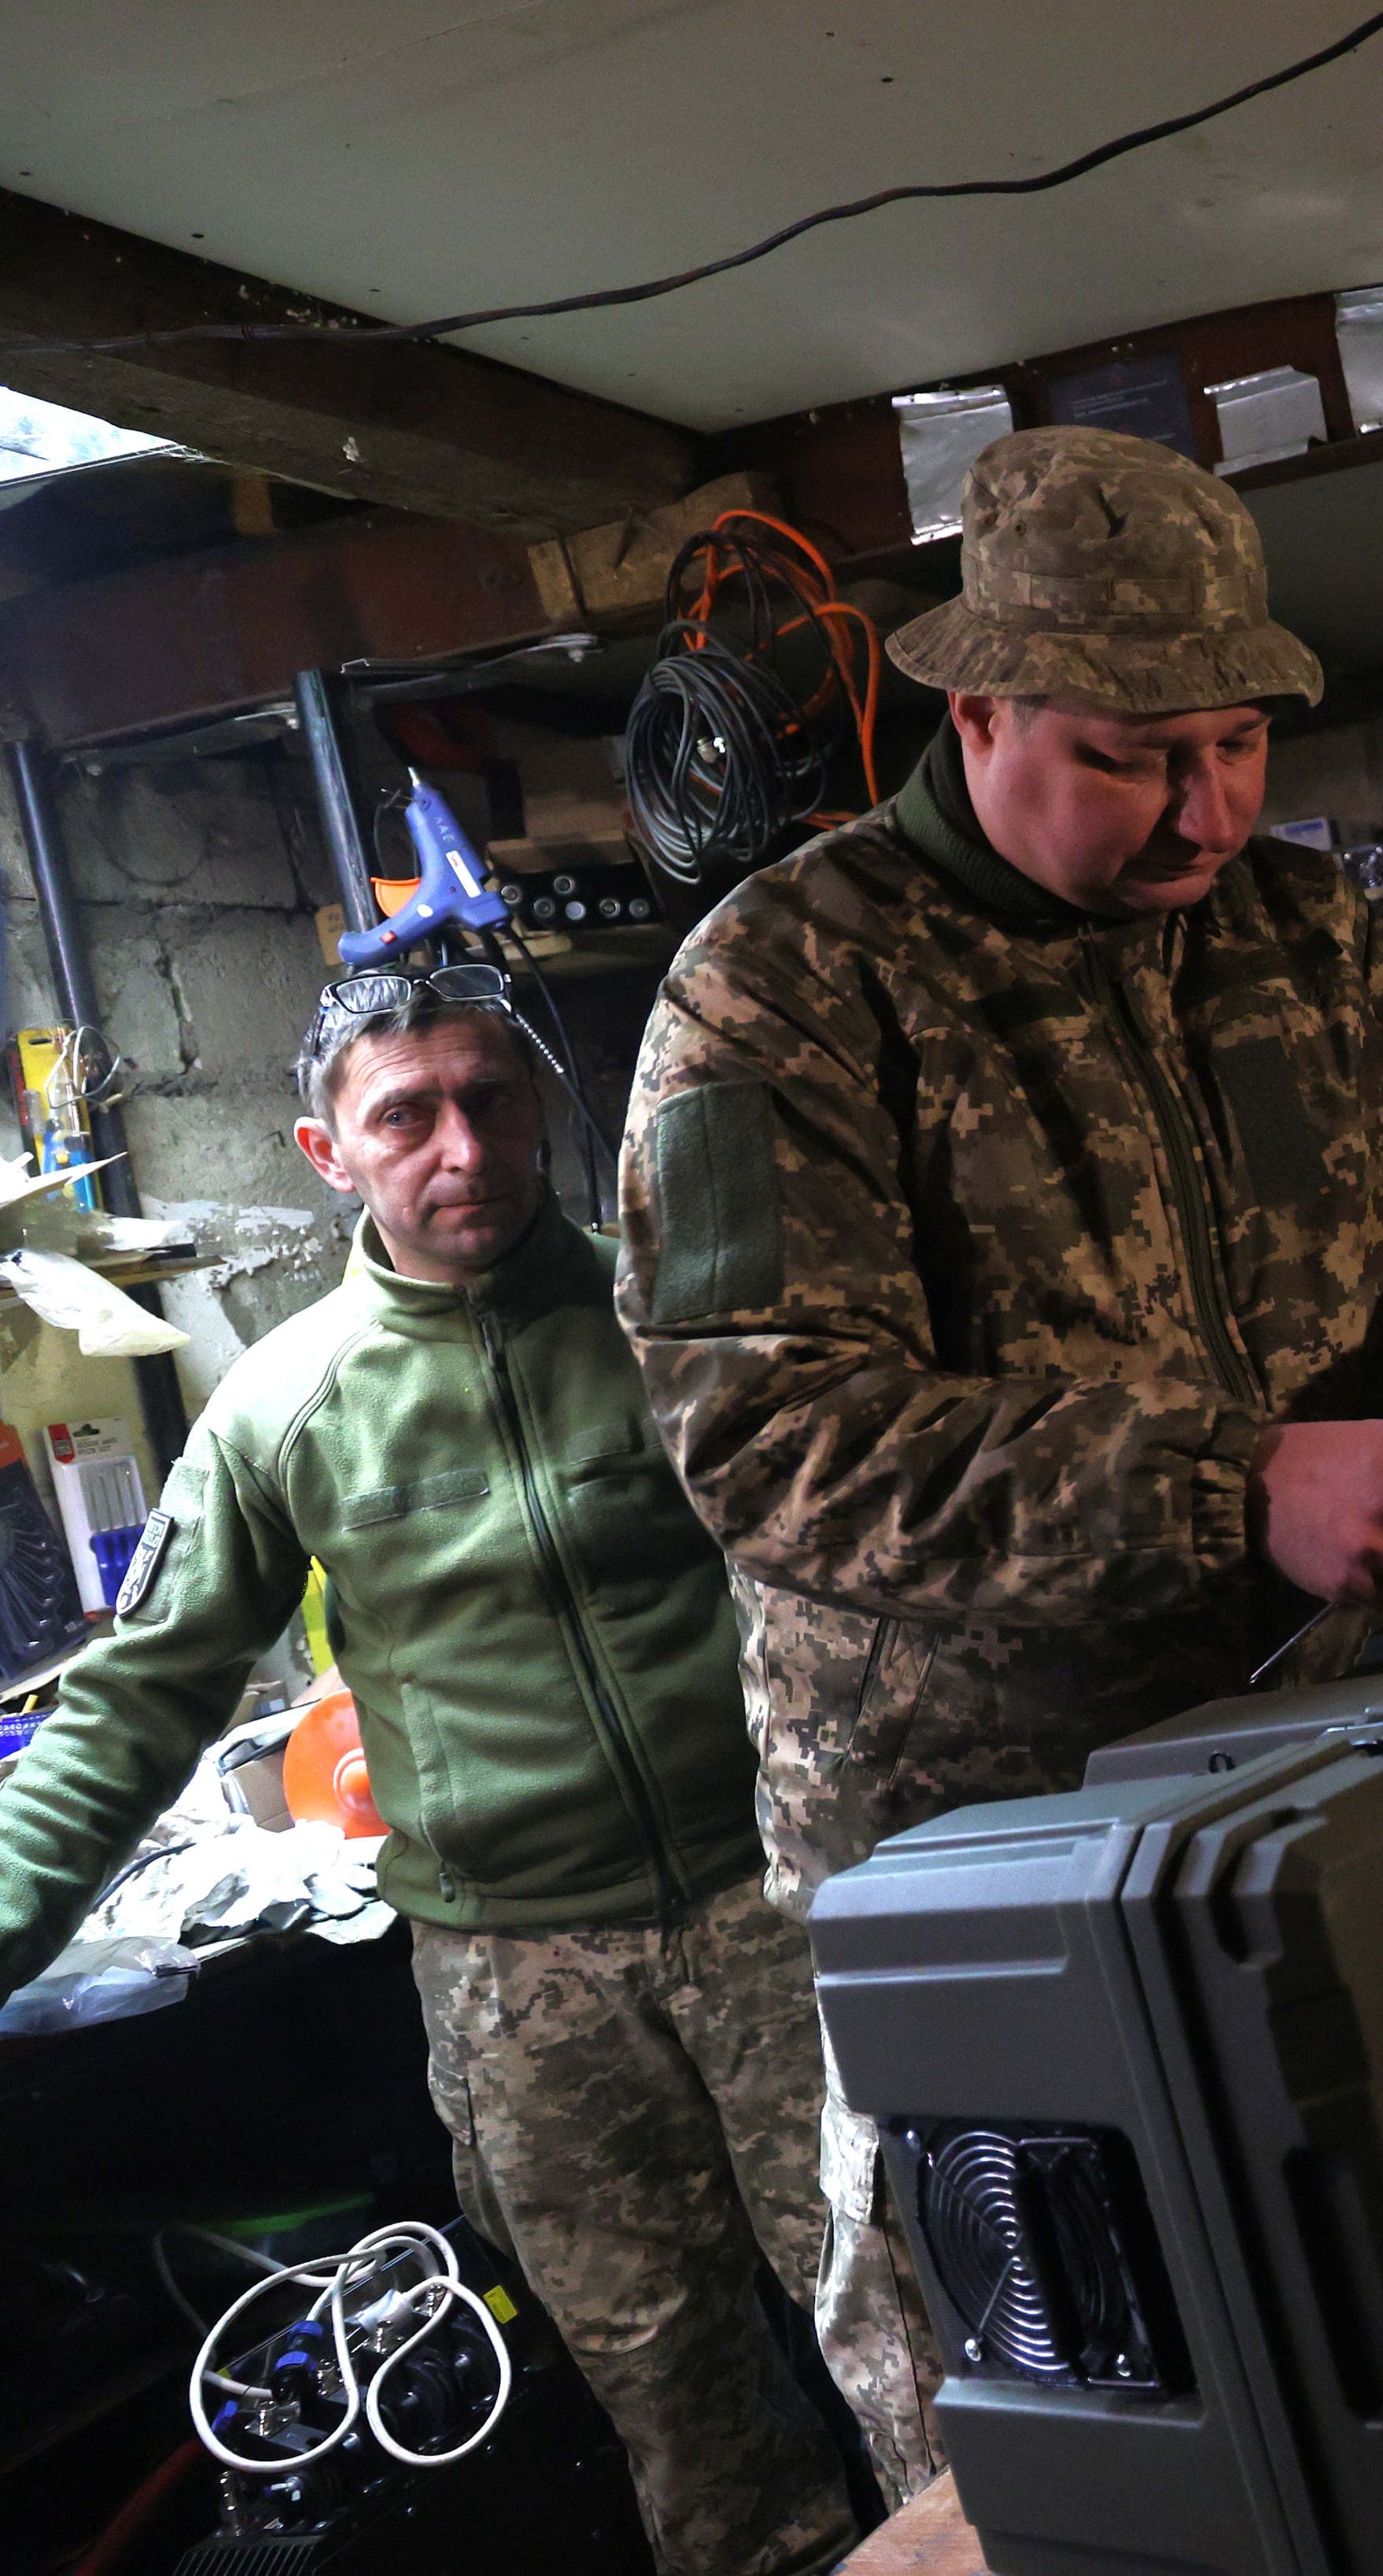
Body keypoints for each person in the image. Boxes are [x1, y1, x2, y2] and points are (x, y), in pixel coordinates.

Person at [618, 425, 1383, 2491]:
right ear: (977, 711)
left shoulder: (1298, 943)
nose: (1209, 804)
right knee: (1063, 2439)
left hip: (1291, 1803)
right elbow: (769, 1430)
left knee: (1372, 2352)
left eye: (1238, 743)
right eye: (1140, 753)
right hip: (975, 1873)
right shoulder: (781, 990)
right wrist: (1231, 1485)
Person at [0, 968, 860, 2576]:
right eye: (409, 1114)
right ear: (330, 1152)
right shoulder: (280, 1408)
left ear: (544, 1110)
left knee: (938, 2338)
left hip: (779, 1911)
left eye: (493, 1098)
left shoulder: (679, 1318)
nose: (463, 1146)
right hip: (524, 1989)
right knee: (683, 2414)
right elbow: (135, 1701)